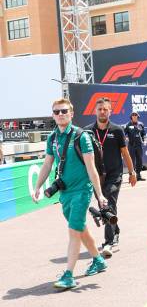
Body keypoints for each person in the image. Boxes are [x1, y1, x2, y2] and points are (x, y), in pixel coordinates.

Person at [32, 98, 108, 290]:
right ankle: (98, 260)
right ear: (53, 115)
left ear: (71, 114)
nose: (60, 114)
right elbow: (48, 164)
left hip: (82, 192)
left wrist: (99, 195)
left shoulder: (81, 136)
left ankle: (68, 275)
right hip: (65, 193)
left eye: (64, 111)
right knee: (80, 229)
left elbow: (92, 169)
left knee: (74, 230)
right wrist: (38, 186)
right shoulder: (52, 138)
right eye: (56, 112)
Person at [85, 97, 137, 259]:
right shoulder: (87, 131)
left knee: (107, 203)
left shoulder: (117, 130)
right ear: (95, 111)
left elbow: (125, 153)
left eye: (105, 109)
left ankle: (108, 242)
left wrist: (132, 172)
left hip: (115, 175)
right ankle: (116, 230)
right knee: (104, 207)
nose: (102, 112)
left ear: (110, 111)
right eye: (100, 109)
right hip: (96, 177)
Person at [124, 112, 146, 181]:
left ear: (138, 117)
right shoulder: (128, 125)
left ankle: (138, 175)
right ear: (131, 117)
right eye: (133, 115)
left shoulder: (141, 124)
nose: (134, 116)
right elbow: (124, 134)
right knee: (131, 161)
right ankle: (131, 176)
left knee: (139, 160)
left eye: (136, 115)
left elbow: (144, 134)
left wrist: (145, 140)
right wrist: (126, 138)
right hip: (131, 145)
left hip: (139, 145)